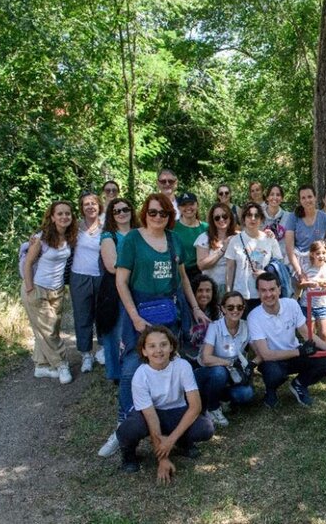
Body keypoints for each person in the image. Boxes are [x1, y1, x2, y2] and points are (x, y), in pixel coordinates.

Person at [114, 193, 209, 451]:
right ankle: (125, 425)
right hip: (140, 311)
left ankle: (176, 429)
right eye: (153, 212)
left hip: (168, 312)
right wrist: (134, 316)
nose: (158, 217)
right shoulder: (133, 239)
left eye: (163, 213)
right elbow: (121, 281)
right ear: (145, 212)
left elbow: (184, 279)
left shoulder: (174, 239)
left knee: (171, 365)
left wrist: (195, 308)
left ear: (169, 216)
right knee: (130, 369)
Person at [116, 326, 214, 480]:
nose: (158, 350)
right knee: (129, 429)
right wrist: (162, 459)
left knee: (205, 429)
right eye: (152, 346)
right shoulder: (140, 376)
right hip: (152, 413)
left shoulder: (183, 366)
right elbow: (151, 417)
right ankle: (129, 455)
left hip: (177, 410)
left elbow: (195, 407)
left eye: (163, 344)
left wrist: (171, 440)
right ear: (144, 351)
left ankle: (182, 442)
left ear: (171, 347)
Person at [248, 273, 326, 408]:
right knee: (273, 373)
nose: (268, 294)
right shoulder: (254, 317)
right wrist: (299, 352)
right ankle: (271, 390)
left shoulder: (291, 304)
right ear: (258, 292)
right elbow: (266, 354)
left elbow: (306, 333)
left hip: (295, 354)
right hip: (273, 360)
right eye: (263, 290)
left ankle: (299, 384)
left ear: (279, 289)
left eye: (272, 289)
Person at [22, 201, 78, 384]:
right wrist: (30, 288)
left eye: (67, 214)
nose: (64, 217)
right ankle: (61, 364)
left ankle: (41, 366)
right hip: (38, 288)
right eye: (60, 214)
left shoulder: (70, 237)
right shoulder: (41, 238)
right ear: (52, 217)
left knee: (49, 329)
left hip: (57, 290)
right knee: (49, 329)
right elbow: (28, 263)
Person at [194, 292, 255, 427]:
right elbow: (206, 358)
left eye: (239, 307)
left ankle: (222, 399)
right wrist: (231, 363)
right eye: (230, 307)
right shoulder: (214, 327)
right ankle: (212, 407)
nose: (235, 311)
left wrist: (252, 364)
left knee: (247, 394)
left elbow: (259, 351)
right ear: (222, 309)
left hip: (232, 373)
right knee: (219, 372)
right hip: (209, 372)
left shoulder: (246, 326)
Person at [98, 197, 139, 383]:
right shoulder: (109, 236)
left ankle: (135, 368)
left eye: (125, 209)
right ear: (111, 215)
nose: (122, 213)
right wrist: (137, 267)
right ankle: (117, 373)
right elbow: (112, 266)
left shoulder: (139, 233)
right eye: (117, 211)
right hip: (115, 289)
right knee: (116, 330)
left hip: (137, 286)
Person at [225, 202, 282, 316]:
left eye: (256, 216)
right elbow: (230, 268)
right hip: (241, 294)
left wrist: (265, 273)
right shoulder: (235, 240)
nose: (253, 218)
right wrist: (228, 293)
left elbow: (279, 265)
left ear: (261, 219)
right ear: (244, 218)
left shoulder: (269, 239)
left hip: (265, 295)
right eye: (249, 215)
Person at [70, 191, 104, 374]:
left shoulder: (106, 227)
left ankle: (103, 350)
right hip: (79, 276)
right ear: (81, 208)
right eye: (86, 204)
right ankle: (86, 354)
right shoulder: (75, 227)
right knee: (82, 316)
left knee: (101, 315)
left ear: (99, 206)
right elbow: (52, 233)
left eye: (93, 203)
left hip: (100, 276)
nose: (90, 207)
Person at [285, 185, 326, 285]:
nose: (307, 200)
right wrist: (299, 272)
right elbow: (289, 249)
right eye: (303, 198)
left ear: (315, 197)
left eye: (309, 197)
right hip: (297, 263)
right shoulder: (293, 217)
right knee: (293, 297)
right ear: (300, 200)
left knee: (320, 295)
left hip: (318, 262)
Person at [195, 203, 238, 298]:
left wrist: (269, 234)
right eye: (217, 218)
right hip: (211, 289)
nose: (221, 219)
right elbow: (201, 265)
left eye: (225, 216)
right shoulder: (204, 238)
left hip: (235, 288)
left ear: (230, 217)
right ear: (212, 220)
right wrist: (222, 250)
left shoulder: (238, 237)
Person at [297, 241, 326, 343]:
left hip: (323, 305)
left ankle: (323, 355)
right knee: (310, 334)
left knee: (324, 334)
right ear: (312, 254)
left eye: (323, 253)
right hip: (307, 305)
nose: (321, 256)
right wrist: (308, 284)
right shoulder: (306, 267)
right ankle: (311, 355)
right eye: (318, 253)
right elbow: (299, 285)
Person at [173, 192, 208, 280]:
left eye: (191, 204)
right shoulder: (172, 228)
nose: (188, 208)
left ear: (197, 205)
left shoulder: (206, 228)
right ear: (179, 208)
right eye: (184, 205)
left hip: (202, 273)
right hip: (179, 273)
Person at [263, 184, 289, 256]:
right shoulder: (258, 216)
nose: (275, 197)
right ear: (267, 197)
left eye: (278, 195)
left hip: (282, 260)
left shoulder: (288, 217)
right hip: (263, 259)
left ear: (282, 198)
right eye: (271, 194)